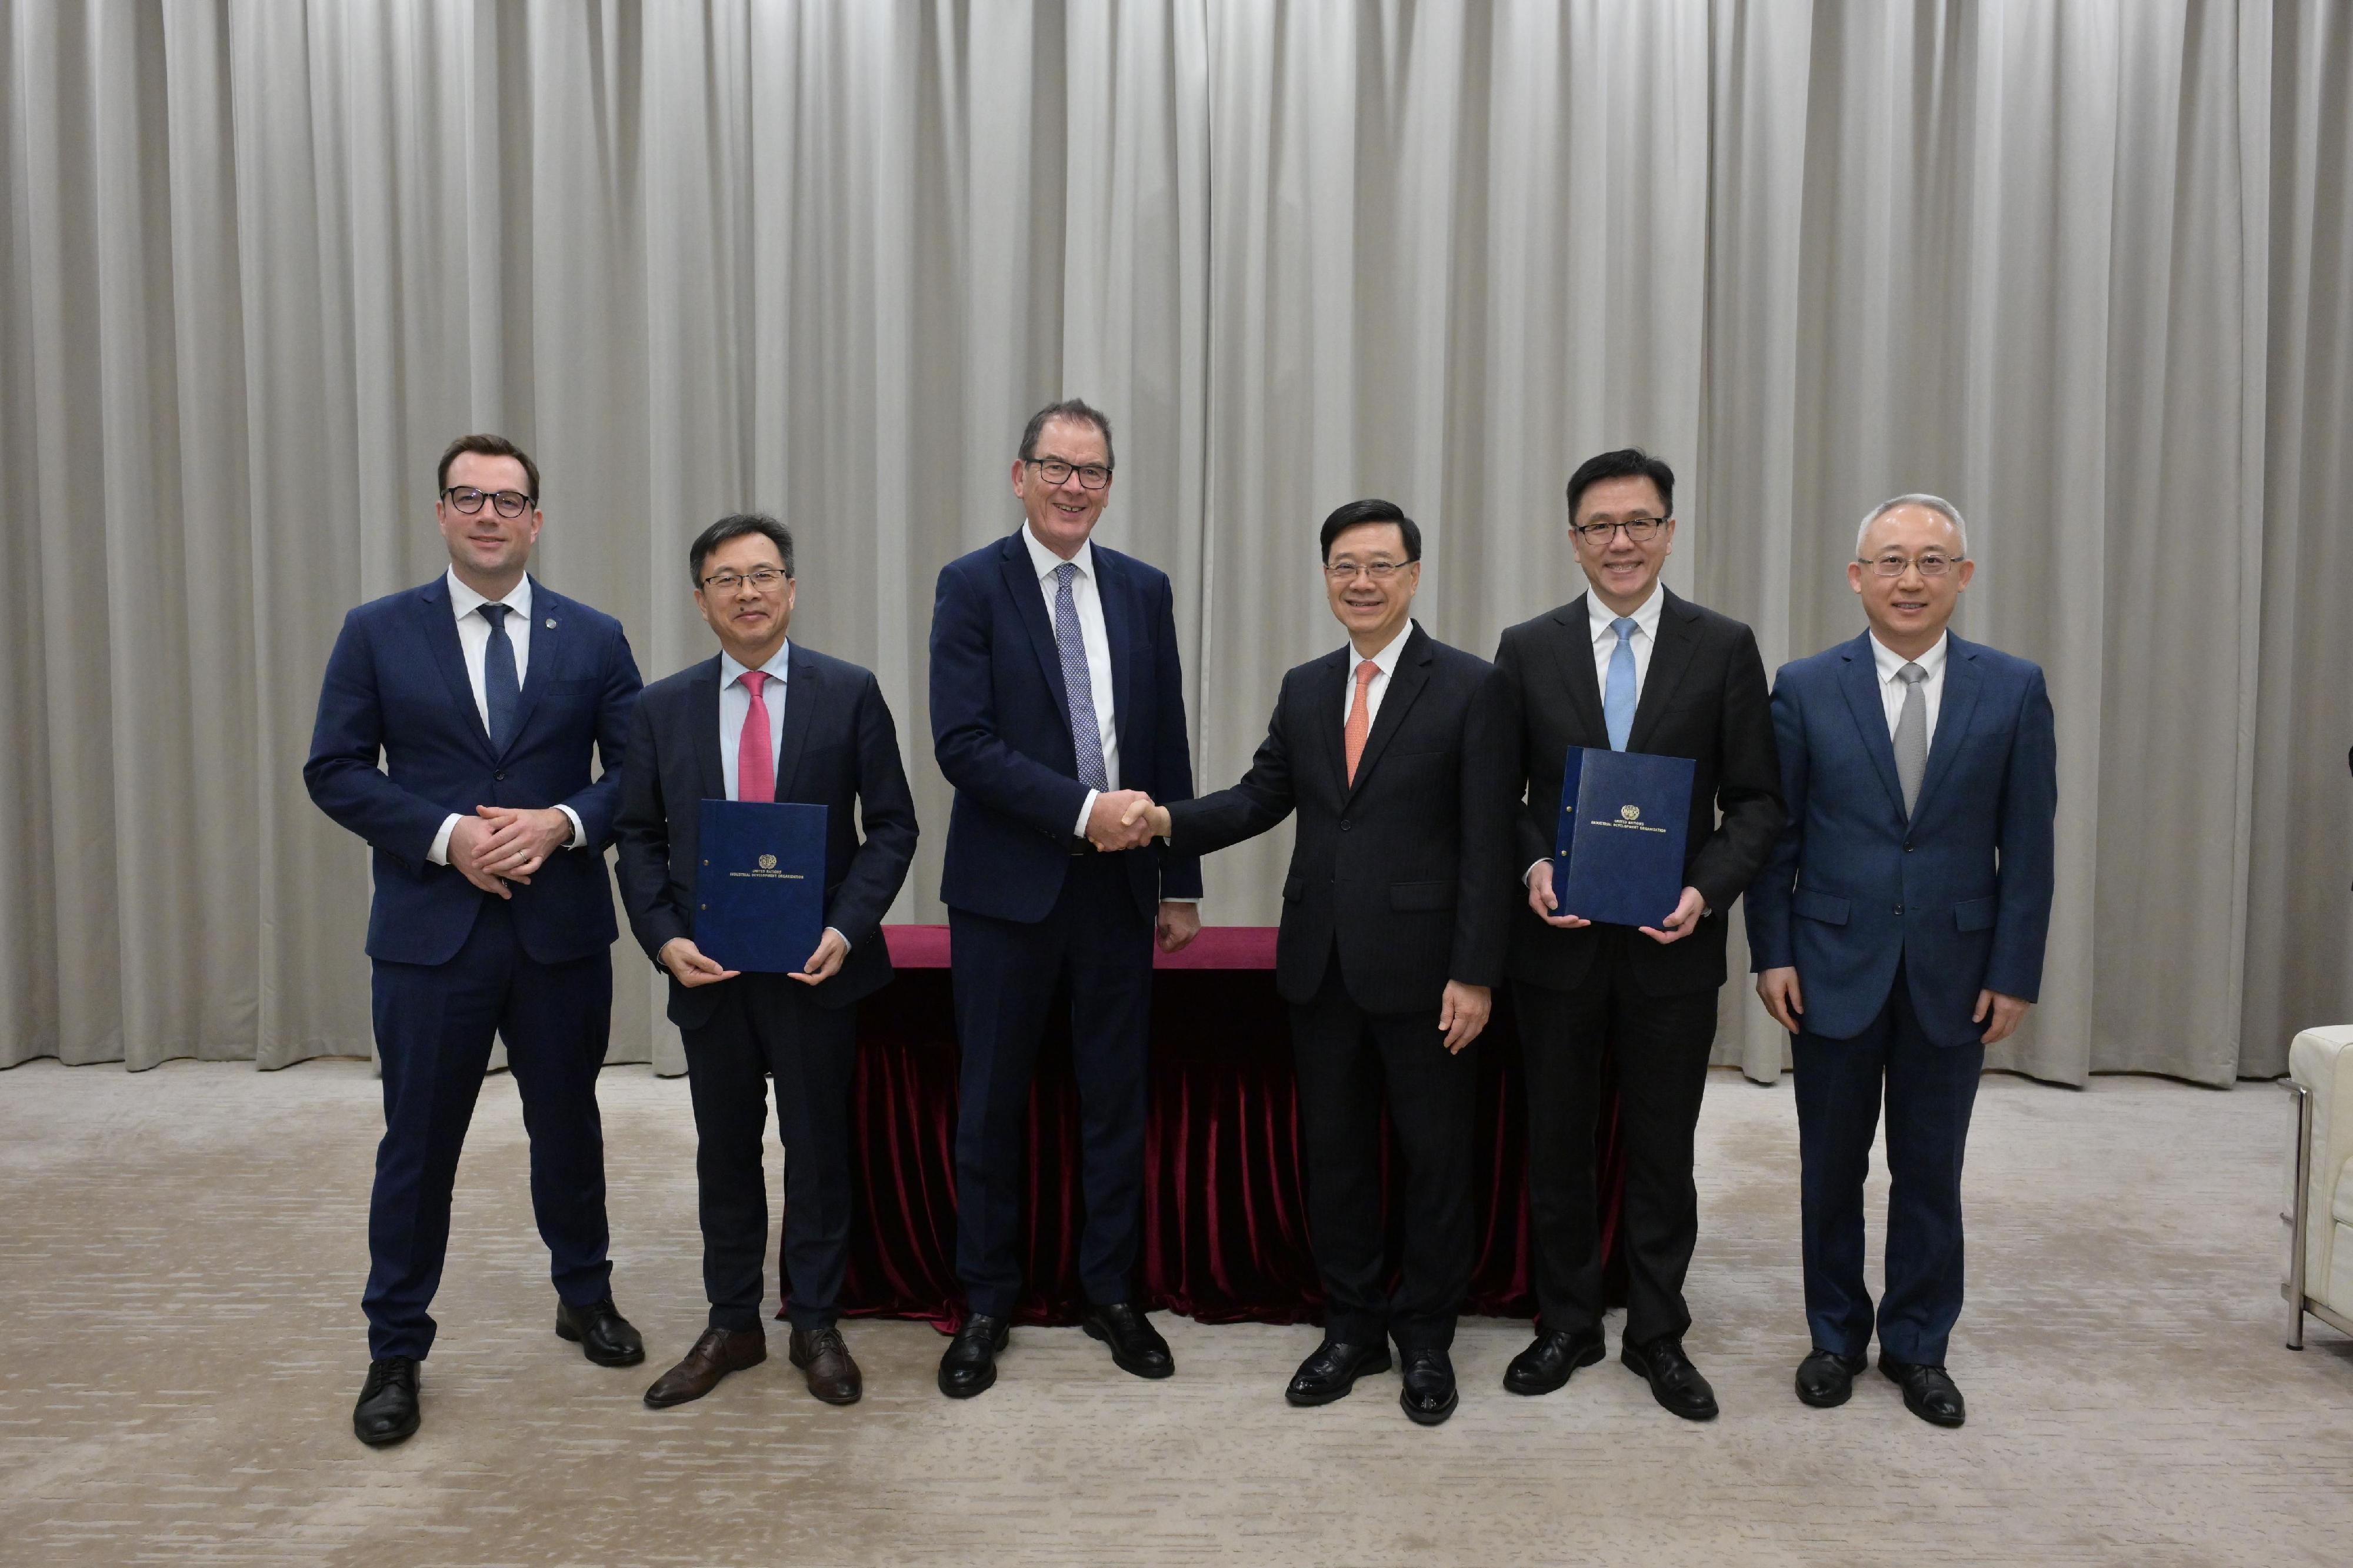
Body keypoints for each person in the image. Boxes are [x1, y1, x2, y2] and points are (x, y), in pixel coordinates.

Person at [1126, 499, 1511, 1426]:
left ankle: (1425, 1337)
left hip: (1430, 976)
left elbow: (1490, 840)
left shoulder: (1470, 685)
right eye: (1345, 565)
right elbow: (1262, 797)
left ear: (1414, 575)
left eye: (1381, 564)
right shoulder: (1305, 687)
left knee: (1434, 1160)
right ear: (1327, 577)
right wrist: (1166, 820)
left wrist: (1476, 970)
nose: (1363, 581)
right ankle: (1351, 1328)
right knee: (1334, 1158)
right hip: (1320, 969)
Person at [305, 434, 646, 1447]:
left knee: (568, 1124)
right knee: (418, 1145)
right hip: (429, 936)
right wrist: (450, 838)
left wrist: (561, 823)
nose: (489, 514)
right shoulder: (376, 632)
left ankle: (584, 1293)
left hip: (559, 930)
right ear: (443, 513)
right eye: (470, 497)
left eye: (509, 500)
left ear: (537, 519)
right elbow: (335, 768)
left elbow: (636, 774)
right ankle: (396, 1346)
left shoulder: (595, 635)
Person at [1746, 494, 2055, 1429]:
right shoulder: (1804, 685)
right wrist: (1774, 952)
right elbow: (1776, 835)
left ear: (1963, 576)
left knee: (1931, 1169)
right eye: (1890, 560)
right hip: (1831, 963)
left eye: (1931, 560)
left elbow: (2029, 847)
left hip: (1956, 974)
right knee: (1829, 1167)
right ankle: (1835, 1336)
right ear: (1857, 577)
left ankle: (1919, 1344)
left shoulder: (2013, 686)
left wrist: (2015, 968)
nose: (1909, 578)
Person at [1490, 447, 1784, 1421]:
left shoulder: (1724, 644)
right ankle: (1567, 1320)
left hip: (1673, 945)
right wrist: (1533, 865)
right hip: (1558, 945)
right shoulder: (1527, 647)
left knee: (1665, 1150)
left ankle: (1657, 1331)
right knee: (1560, 1142)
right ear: (1572, 541)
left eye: (1641, 522)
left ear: (1668, 529)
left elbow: (1755, 801)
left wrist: (1706, 889)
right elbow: (1506, 796)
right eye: (1601, 526)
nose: (1622, 542)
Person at [926, 398, 1202, 1397]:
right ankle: (986, 1299)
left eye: (1092, 471)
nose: (1074, 486)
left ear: (1109, 485)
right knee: (992, 1104)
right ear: (1019, 474)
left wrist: (1182, 877)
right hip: (1006, 894)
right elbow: (963, 744)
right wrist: (1083, 809)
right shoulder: (971, 587)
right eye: (1057, 467)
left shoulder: (1142, 589)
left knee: (1114, 1101)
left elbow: (1164, 731)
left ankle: (1111, 1293)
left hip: (1123, 892)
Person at [614, 513, 918, 1409]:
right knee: (724, 1152)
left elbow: (893, 826)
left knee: (819, 1150)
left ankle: (814, 1320)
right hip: (708, 973)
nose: (748, 592)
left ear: (792, 588)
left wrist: (846, 928)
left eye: (764, 574)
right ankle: (732, 1319)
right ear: (701, 600)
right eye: (726, 579)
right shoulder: (661, 706)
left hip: (815, 970)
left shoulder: (849, 691)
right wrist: (665, 937)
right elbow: (636, 833)